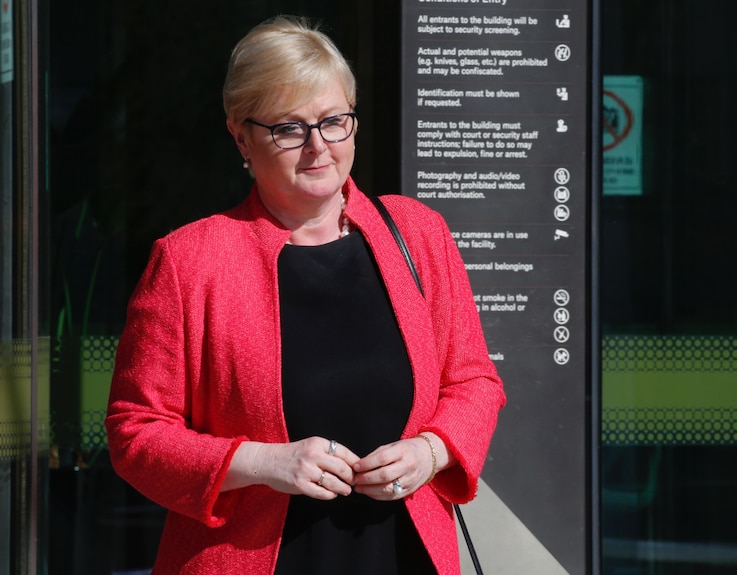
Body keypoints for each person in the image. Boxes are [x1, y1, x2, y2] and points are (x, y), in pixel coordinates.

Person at [105, 15, 505, 575]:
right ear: (240, 136)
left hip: (400, 554)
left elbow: (474, 382)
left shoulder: (417, 233)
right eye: (288, 128)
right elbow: (135, 431)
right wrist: (263, 461)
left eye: (333, 121)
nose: (318, 147)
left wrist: (430, 451)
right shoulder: (189, 260)